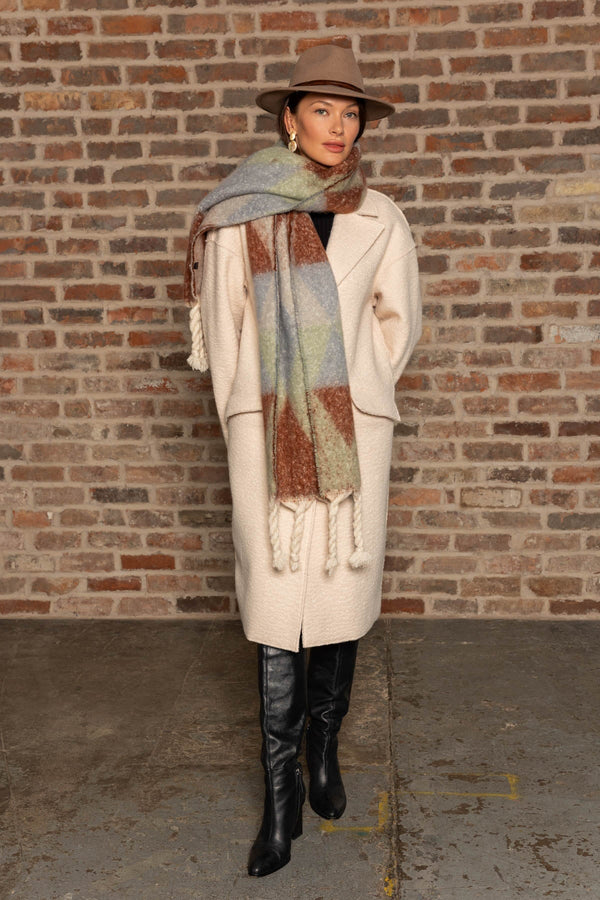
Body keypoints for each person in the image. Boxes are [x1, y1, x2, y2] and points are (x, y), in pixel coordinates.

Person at [183, 41, 422, 877]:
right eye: (322, 109)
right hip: (269, 433)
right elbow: (224, 331)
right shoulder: (239, 215)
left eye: (350, 112)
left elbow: (398, 324)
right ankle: (279, 802)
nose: (338, 125)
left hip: (352, 434)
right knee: (277, 605)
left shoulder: (380, 215)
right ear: (290, 119)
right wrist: (255, 415)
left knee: (341, 596)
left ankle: (325, 752)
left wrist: (353, 394)